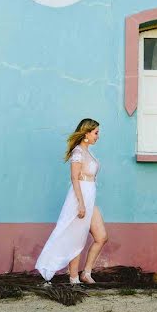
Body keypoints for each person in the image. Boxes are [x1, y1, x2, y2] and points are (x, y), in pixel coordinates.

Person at [34, 118, 109, 284]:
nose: (98, 136)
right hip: (79, 199)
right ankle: (74, 278)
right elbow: (74, 178)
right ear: (86, 133)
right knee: (76, 237)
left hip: (90, 198)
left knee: (102, 236)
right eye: (96, 133)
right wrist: (80, 203)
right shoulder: (78, 152)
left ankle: (86, 273)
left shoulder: (88, 152)